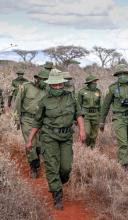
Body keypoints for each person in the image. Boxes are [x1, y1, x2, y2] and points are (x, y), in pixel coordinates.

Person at [25, 69, 85, 209]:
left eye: (60, 84)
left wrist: (82, 130)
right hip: (49, 136)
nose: (58, 87)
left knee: (65, 168)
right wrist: (29, 140)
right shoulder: (44, 100)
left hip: (66, 137)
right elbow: (37, 122)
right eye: (55, 85)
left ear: (63, 84)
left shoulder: (71, 97)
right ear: (50, 85)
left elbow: (79, 114)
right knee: (52, 165)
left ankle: (59, 181)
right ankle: (57, 195)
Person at [100, 64, 128, 170]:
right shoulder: (112, 88)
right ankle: (124, 165)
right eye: (120, 74)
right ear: (117, 75)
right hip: (119, 118)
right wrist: (102, 121)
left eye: (124, 74)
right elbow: (105, 105)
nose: (122, 76)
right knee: (123, 143)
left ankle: (121, 159)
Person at [14, 70, 49, 178]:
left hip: (41, 121)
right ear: (37, 79)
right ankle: (34, 167)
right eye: (43, 80)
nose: (45, 82)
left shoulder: (47, 90)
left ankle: (37, 159)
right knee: (31, 144)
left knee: (39, 144)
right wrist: (17, 119)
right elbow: (18, 102)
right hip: (27, 119)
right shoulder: (26, 87)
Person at [78, 75, 101, 148]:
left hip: (96, 114)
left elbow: (100, 104)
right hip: (86, 114)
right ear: (89, 83)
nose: (95, 83)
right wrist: (77, 117)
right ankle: (86, 146)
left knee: (94, 134)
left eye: (95, 82)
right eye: (93, 82)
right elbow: (79, 105)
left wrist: (101, 115)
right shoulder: (82, 91)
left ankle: (92, 147)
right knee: (87, 132)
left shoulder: (98, 91)